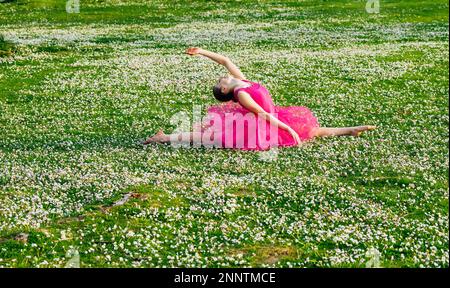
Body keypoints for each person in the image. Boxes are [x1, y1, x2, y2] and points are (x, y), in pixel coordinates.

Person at [143, 47, 376, 150]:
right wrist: (288, 129)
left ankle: (350, 130)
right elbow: (262, 114)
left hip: (274, 116)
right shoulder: (241, 93)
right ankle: (163, 138)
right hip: (260, 125)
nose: (221, 78)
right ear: (225, 91)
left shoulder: (242, 81)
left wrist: (202, 52)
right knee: (207, 137)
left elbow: (224, 60)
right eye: (220, 83)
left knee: (311, 130)